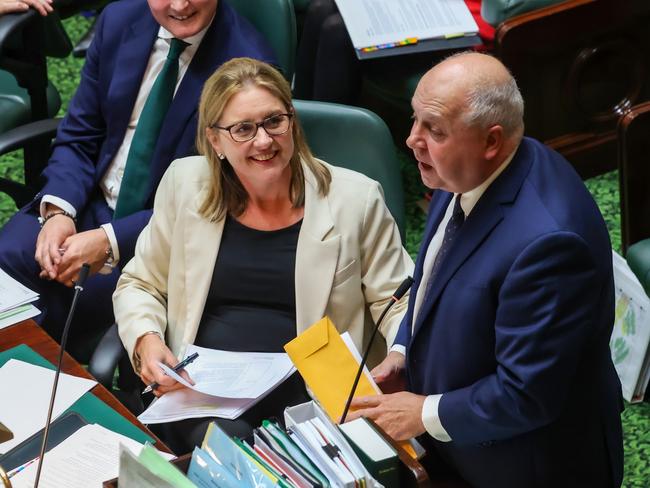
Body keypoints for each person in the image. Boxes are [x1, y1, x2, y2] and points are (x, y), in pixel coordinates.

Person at [349, 52, 624, 488]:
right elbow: (437, 280)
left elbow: (525, 395)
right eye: (415, 120)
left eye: (433, 129)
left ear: (491, 140)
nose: (411, 140)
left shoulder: (549, 244)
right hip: (458, 440)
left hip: (526, 464)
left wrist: (421, 412)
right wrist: (403, 353)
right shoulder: (462, 170)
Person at [113, 57, 414, 453]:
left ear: (292, 122)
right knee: (229, 446)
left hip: (310, 388)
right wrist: (148, 341)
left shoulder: (355, 199)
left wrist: (398, 351)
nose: (264, 141)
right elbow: (140, 283)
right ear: (215, 140)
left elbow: (398, 299)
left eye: (275, 121)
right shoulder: (184, 184)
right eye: (243, 129)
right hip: (204, 390)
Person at [0, 0, 275, 353]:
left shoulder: (250, 69)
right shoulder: (119, 18)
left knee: (63, 314)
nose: (180, 5)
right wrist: (58, 212)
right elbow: (81, 133)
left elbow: (219, 194)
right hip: (86, 202)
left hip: (156, 237)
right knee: (9, 262)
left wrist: (108, 241)